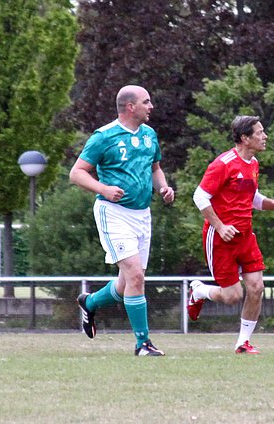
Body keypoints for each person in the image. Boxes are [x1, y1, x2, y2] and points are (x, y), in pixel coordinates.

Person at [70, 85, 175, 356]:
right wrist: (103, 189)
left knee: (127, 282)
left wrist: (163, 187)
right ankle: (143, 344)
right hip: (113, 213)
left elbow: (156, 169)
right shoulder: (104, 136)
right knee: (136, 276)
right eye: (146, 102)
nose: (151, 106)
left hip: (142, 215)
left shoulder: (150, 134)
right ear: (130, 107)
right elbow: (77, 173)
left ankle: (90, 303)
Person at [187, 115, 274, 354]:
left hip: (245, 236)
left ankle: (242, 343)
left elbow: (251, 197)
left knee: (256, 287)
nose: (265, 136)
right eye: (260, 132)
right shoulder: (223, 163)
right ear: (245, 138)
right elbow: (199, 196)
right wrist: (221, 226)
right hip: (221, 239)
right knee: (233, 296)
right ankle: (200, 291)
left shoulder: (253, 164)